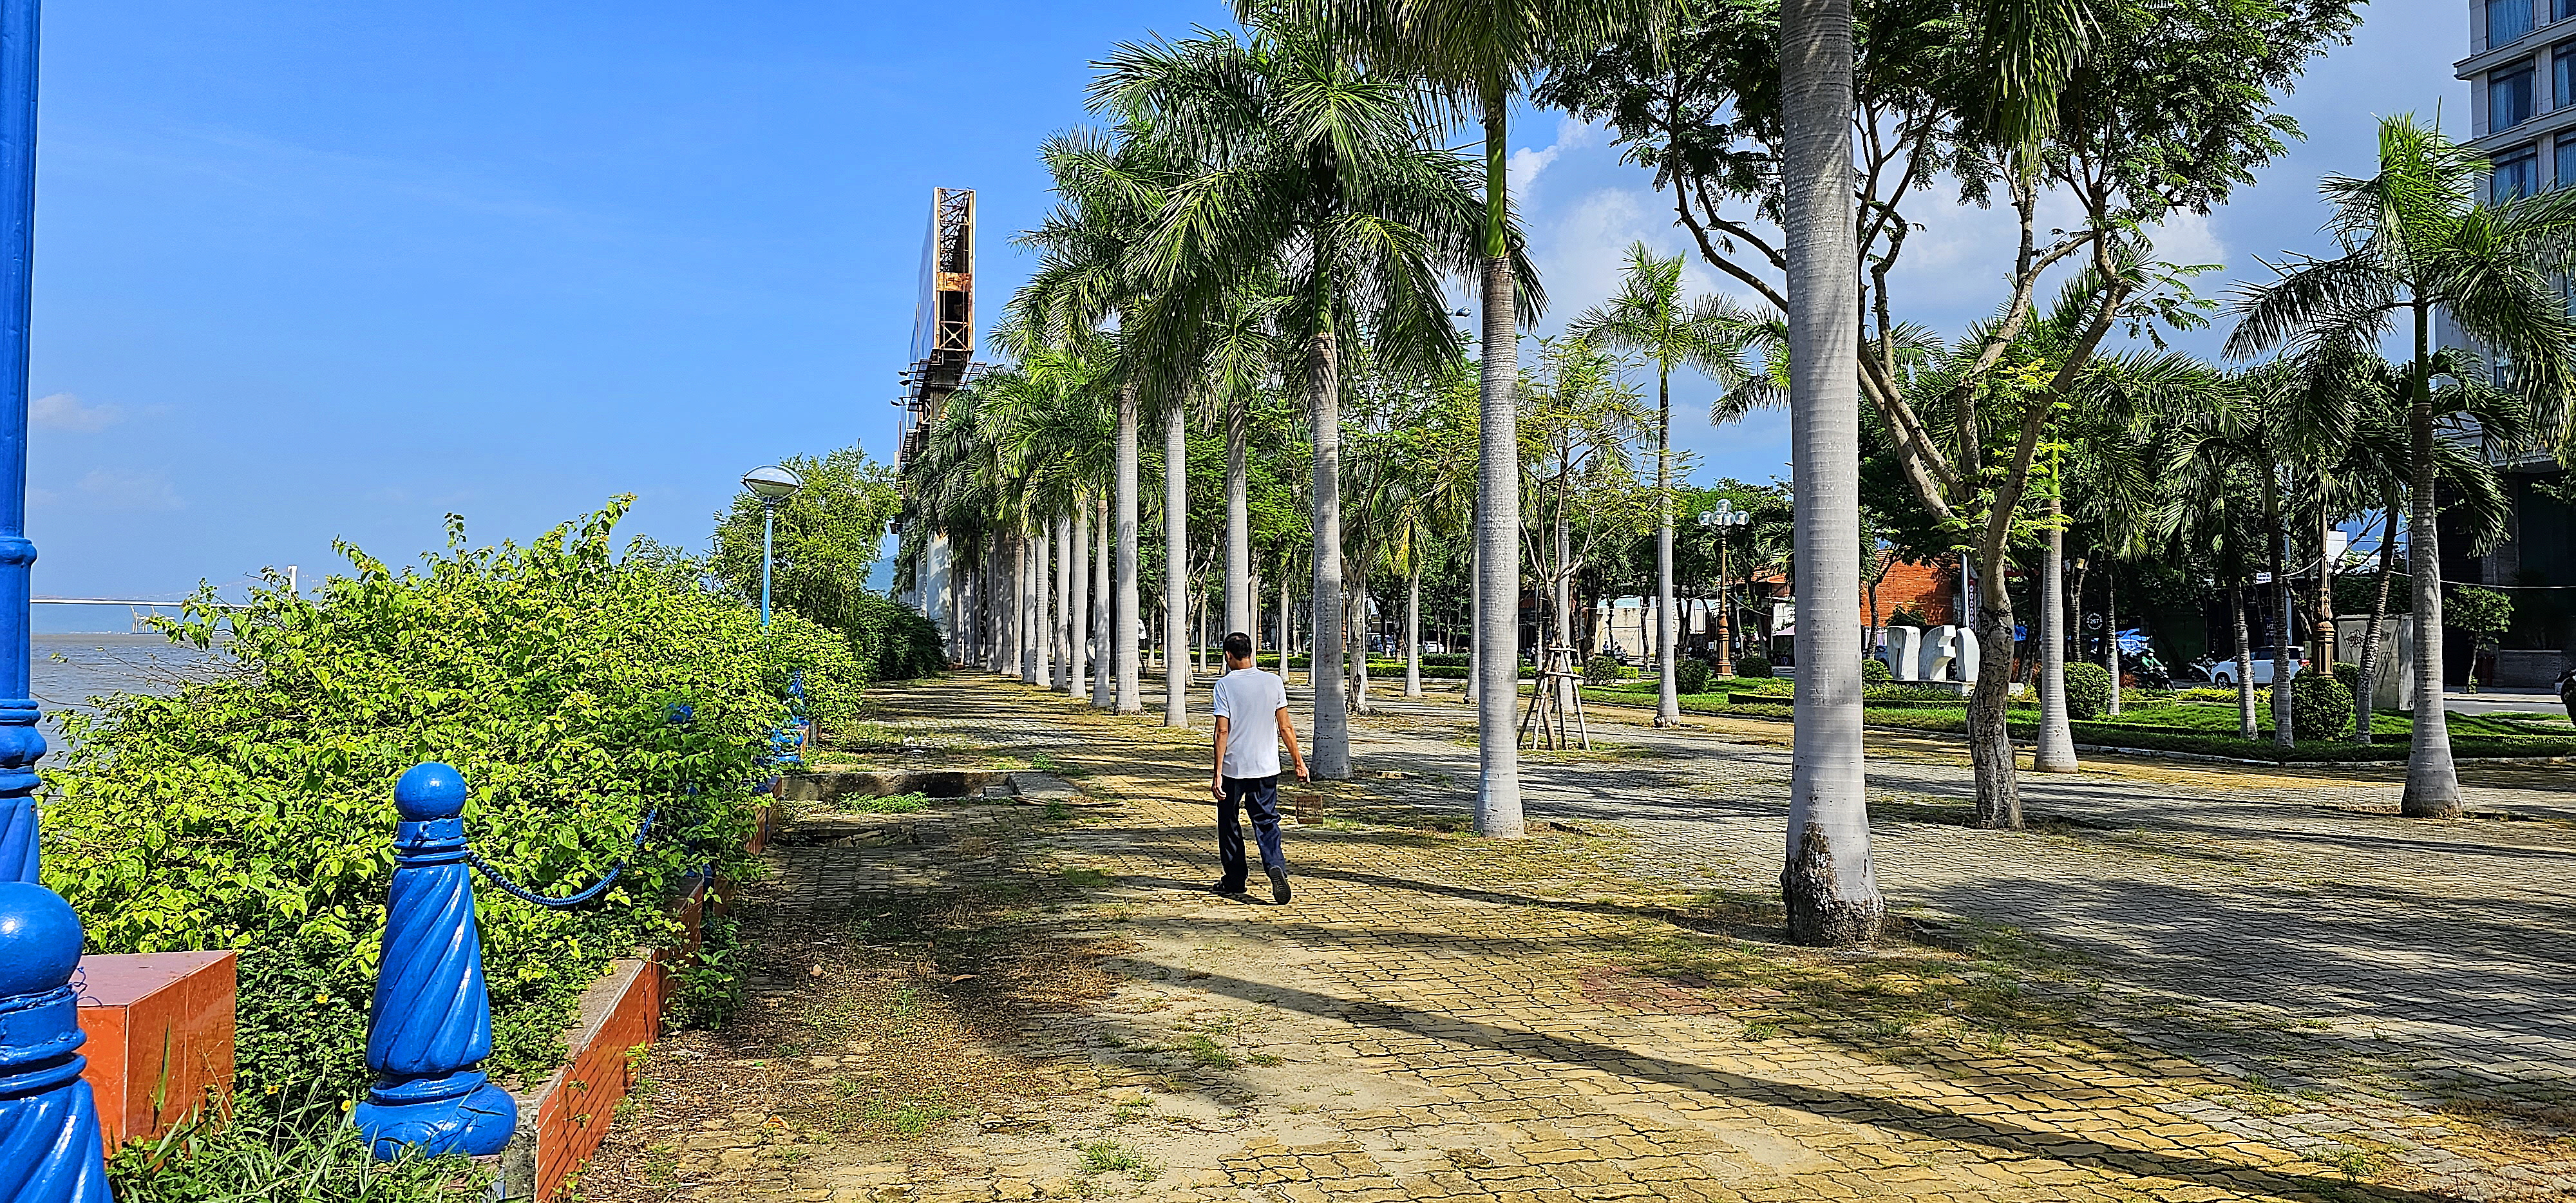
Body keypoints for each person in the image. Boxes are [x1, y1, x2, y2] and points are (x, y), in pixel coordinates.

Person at [1209, 630, 1307, 903]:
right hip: (1266, 767)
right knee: (1266, 820)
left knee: (1229, 822)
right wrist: (1299, 762)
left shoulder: (1225, 686)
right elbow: (1285, 726)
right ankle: (1275, 865)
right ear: (1251, 652)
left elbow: (1222, 731)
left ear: (1228, 655)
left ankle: (1235, 880)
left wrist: (1217, 773)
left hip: (1233, 769)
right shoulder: (1273, 682)